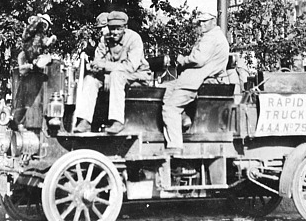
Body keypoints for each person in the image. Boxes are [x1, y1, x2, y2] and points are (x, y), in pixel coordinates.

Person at [161, 12, 230, 154]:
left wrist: (181, 59)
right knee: (164, 88)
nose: (202, 24)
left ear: (213, 21)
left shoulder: (210, 38)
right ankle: (183, 117)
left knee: (170, 109)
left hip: (194, 80)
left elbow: (199, 59)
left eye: (205, 21)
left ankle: (175, 147)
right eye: (200, 22)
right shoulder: (216, 36)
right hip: (197, 78)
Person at [73, 10, 151, 134]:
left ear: (125, 27)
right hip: (113, 76)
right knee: (90, 79)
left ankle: (117, 121)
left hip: (138, 76)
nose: (114, 32)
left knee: (116, 75)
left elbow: (130, 67)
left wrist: (105, 68)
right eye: (111, 28)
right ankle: (85, 121)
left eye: (118, 29)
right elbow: (97, 62)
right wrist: (102, 71)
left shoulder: (134, 39)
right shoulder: (105, 39)